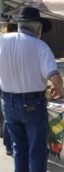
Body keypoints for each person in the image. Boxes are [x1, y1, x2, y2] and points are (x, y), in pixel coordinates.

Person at [0, 6, 63, 172]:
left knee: (19, 146)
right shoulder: (39, 46)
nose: (41, 31)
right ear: (36, 27)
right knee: (36, 148)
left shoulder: (1, 41)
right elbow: (55, 77)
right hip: (32, 103)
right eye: (41, 28)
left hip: (7, 102)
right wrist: (58, 88)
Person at [0, 21, 17, 156]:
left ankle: (9, 146)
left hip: (4, 83)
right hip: (10, 85)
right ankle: (11, 145)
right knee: (9, 117)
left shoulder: (2, 43)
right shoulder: (16, 44)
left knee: (8, 117)